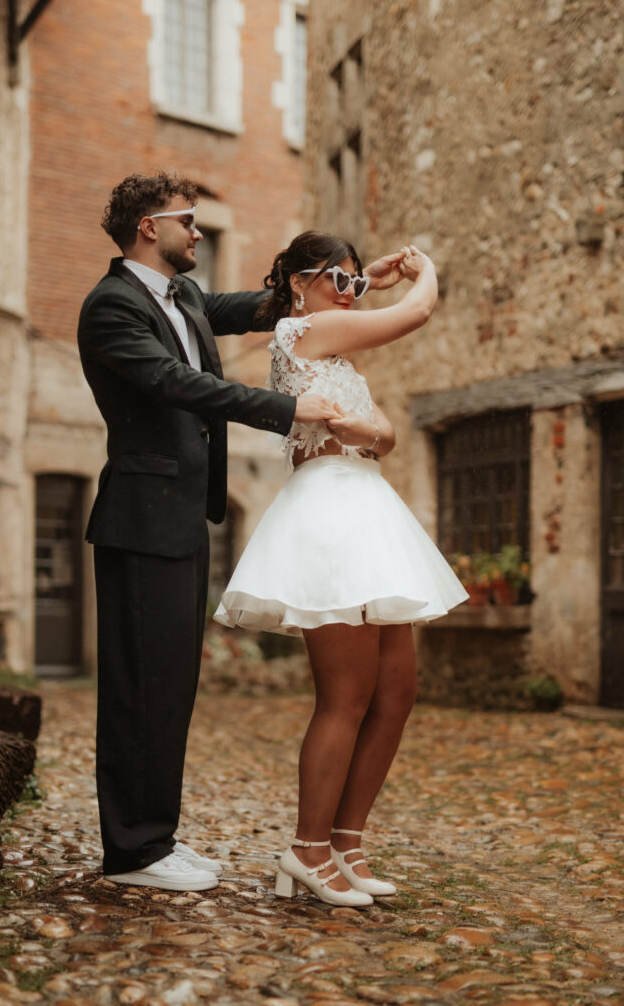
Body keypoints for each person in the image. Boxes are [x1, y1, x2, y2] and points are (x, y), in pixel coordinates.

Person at [77, 174, 388, 894]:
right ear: (149, 227)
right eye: (187, 220)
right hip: (140, 517)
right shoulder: (111, 306)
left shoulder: (183, 296)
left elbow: (272, 306)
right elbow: (174, 382)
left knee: (171, 685)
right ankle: (132, 852)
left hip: (185, 513)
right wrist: (285, 407)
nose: (198, 232)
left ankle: (155, 838)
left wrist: (351, 281)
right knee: (138, 688)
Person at [215, 231, 468, 908]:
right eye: (338, 278)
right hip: (328, 517)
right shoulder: (302, 331)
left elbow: (385, 435)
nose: (350, 292)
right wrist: (421, 270)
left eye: (356, 281)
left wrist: (366, 432)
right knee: (346, 696)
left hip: (369, 512)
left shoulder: (340, 356)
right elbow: (415, 313)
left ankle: (345, 842)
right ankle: (305, 850)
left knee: (396, 693)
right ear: (299, 283)